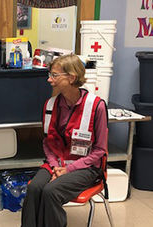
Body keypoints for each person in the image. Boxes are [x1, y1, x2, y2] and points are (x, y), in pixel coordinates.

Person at [21, 54, 108, 227]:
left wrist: (68, 169)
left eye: (54, 75)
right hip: (56, 163)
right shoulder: (50, 105)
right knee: (34, 188)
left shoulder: (96, 106)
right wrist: (55, 166)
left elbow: (100, 151)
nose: (49, 80)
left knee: (51, 191)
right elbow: (48, 142)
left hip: (86, 167)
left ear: (71, 77)